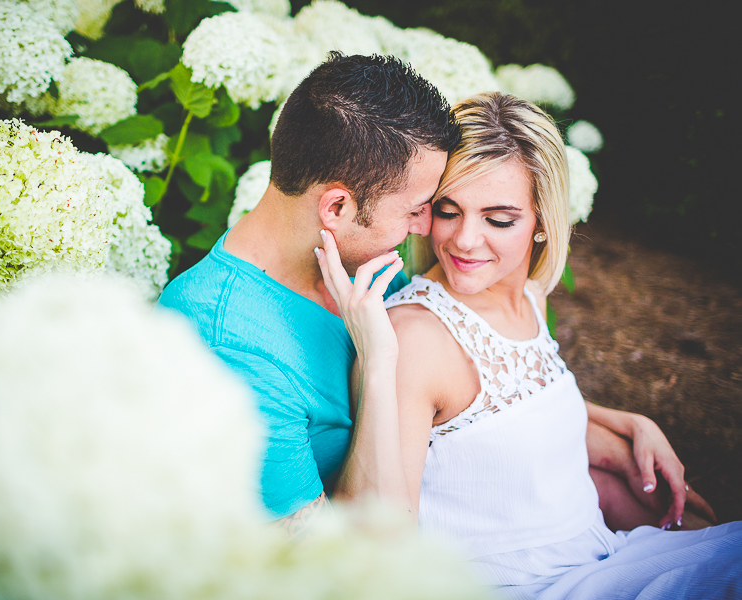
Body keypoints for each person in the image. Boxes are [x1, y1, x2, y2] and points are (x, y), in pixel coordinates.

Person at [159, 53, 703, 537]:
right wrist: (378, 362)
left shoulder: (360, 258)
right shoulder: (227, 348)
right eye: (421, 208)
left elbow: (477, 406)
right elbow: (344, 566)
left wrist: (620, 427)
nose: (431, 231)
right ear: (337, 208)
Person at [317, 91, 741, 598]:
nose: (465, 241)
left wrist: (628, 422)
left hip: (602, 555)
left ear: (543, 219)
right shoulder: (414, 338)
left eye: (498, 219)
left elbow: (509, 411)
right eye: (448, 211)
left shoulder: (528, 299)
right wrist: (379, 361)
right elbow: (375, 544)